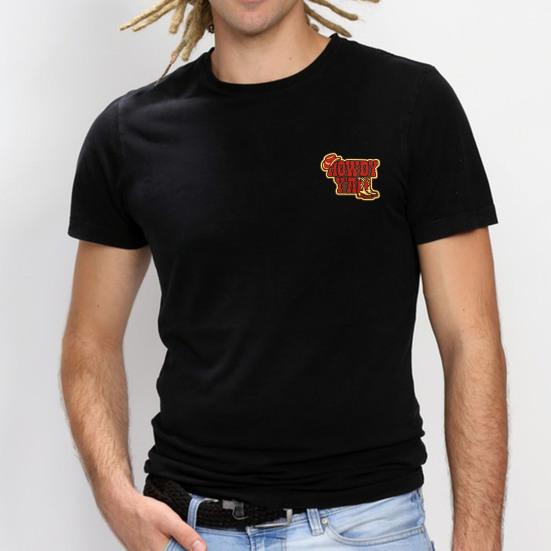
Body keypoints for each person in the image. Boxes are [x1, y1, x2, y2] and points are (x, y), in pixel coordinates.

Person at [60, 0, 508, 550]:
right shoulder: (130, 133)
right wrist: (114, 494)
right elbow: (90, 341)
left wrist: (479, 540)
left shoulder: (410, 103)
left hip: (365, 528)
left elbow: (471, 339)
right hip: (192, 529)